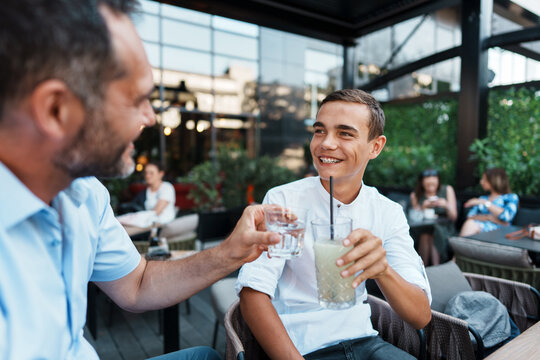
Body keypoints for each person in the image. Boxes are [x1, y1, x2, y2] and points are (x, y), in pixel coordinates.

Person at [0, 1, 279, 359]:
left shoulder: (84, 194)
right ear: (57, 110)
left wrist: (230, 254)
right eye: (138, 99)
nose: (149, 117)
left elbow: (136, 284)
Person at [237, 89, 432, 359]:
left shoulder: (388, 212)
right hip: (303, 348)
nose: (326, 143)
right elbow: (252, 294)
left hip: (367, 342)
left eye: (345, 133)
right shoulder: (283, 201)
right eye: (319, 131)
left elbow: (421, 316)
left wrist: (383, 270)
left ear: (375, 147)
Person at [410, 169, 458, 265]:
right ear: (422, 183)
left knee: (433, 234)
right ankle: (428, 268)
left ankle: (428, 268)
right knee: (425, 234)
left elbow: (454, 218)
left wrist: (446, 205)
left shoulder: (447, 189)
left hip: (444, 227)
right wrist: (423, 207)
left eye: (433, 184)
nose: (431, 187)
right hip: (423, 228)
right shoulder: (415, 195)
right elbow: (414, 219)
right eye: (428, 184)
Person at [460, 168, 519, 236]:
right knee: (470, 223)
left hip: (500, 233)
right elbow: (470, 216)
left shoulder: (510, 197)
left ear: (494, 181)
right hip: (477, 232)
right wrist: (488, 218)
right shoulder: (482, 198)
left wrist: (485, 203)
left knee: (470, 224)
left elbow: (507, 216)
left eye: (484, 179)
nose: (481, 182)